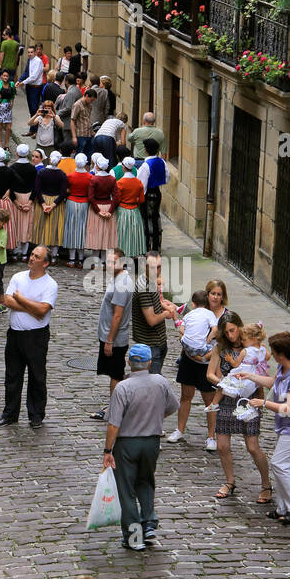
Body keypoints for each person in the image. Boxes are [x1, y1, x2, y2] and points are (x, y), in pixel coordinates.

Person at [248, 332, 290, 524]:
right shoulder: (285, 365)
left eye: (273, 351)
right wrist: (250, 376)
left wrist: (263, 403)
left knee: (281, 464)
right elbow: (274, 382)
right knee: (281, 465)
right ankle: (283, 507)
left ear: (280, 354)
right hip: (288, 424)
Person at [206, 314, 272, 504]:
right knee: (222, 445)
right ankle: (230, 481)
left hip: (248, 399)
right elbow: (210, 373)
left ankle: (266, 484)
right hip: (227, 397)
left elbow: (262, 370)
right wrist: (225, 384)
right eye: (226, 332)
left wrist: (260, 393)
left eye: (233, 330)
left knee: (252, 446)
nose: (231, 335)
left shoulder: (252, 346)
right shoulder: (220, 348)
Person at [0, 245, 58, 429]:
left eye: (36, 256)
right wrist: (31, 308)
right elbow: (6, 300)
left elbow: (43, 309)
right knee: (12, 375)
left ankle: (36, 415)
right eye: (31, 254)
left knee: (37, 376)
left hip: (36, 337)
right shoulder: (18, 277)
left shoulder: (50, 284)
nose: (31, 258)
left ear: (45, 263)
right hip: (14, 334)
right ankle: (10, 413)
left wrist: (21, 299)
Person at [168, 290, 218, 449]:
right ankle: (180, 430)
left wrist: (205, 342)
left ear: (194, 303)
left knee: (209, 400)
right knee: (185, 396)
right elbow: (183, 331)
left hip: (206, 364)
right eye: (213, 294)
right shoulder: (204, 315)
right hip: (189, 361)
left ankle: (211, 436)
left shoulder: (211, 316)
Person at [93, 250, 135, 422]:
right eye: (108, 261)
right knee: (113, 374)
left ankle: (115, 411)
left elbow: (118, 314)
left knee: (116, 376)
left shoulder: (122, 283)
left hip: (115, 340)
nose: (109, 265)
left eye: (113, 262)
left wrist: (110, 340)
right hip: (110, 337)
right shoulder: (118, 279)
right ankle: (113, 406)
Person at [133, 251, 178, 375]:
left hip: (157, 342)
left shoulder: (151, 281)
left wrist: (164, 306)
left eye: (159, 267)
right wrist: (168, 312)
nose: (156, 271)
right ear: (145, 266)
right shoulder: (145, 288)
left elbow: (156, 303)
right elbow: (151, 320)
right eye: (153, 267)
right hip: (150, 345)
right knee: (151, 386)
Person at [30, 151, 69, 260]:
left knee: (42, 228)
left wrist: (43, 204)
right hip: (56, 202)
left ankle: (41, 254)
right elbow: (63, 193)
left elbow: (37, 189)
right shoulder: (62, 174)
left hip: (43, 199)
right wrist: (52, 205)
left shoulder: (41, 172)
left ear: (50, 159)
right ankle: (53, 257)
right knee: (56, 229)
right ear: (59, 161)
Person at [61, 152, 92, 267]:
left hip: (71, 202)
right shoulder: (90, 177)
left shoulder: (70, 176)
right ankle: (81, 259)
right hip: (84, 203)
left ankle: (72, 259)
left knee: (71, 229)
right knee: (82, 230)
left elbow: (65, 190)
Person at [7, 144, 37, 262]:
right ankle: (24, 254)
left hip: (16, 198)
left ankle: (14, 252)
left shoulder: (12, 168)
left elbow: (9, 186)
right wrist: (30, 202)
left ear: (17, 153)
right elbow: (36, 187)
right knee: (27, 225)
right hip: (28, 197)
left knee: (15, 224)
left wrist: (15, 201)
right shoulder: (32, 168)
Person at [136, 140, 168, 251]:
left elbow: (141, 184)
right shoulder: (162, 162)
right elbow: (166, 177)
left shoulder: (146, 165)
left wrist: (140, 198)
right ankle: (157, 246)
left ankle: (147, 246)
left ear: (145, 150)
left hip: (148, 194)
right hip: (157, 192)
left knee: (146, 219)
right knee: (155, 218)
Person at [86, 158, 119, 256]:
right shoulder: (112, 179)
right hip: (108, 206)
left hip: (97, 207)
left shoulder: (94, 179)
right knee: (106, 234)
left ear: (97, 166)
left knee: (95, 233)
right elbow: (116, 197)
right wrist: (110, 211)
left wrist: (97, 210)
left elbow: (91, 197)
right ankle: (104, 261)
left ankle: (95, 261)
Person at [114, 159, 146, 261]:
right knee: (134, 234)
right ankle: (133, 255)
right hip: (135, 211)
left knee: (123, 234)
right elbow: (141, 199)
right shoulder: (138, 182)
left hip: (122, 210)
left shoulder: (120, 183)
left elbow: (117, 199)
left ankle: (122, 257)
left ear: (123, 167)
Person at [17, 44, 45, 120]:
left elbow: (34, 77)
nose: (29, 54)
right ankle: (32, 129)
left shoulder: (38, 61)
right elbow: (26, 72)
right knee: (30, 108)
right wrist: (19, 80)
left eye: (31, 52)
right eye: (28, 52)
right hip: (29, 87)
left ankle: (35, 129)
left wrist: (23, 82)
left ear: (35, 53)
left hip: (35, 88)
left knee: (34, 108)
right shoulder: (29, 60)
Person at [70, 87, 97, 156]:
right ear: (87, 96)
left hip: (89, 134)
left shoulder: (89, 106)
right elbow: (72, 120)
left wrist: (92, 132)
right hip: (80, 135)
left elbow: (87, 119)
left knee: (88, 156)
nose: (92, 102)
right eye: (91, 100)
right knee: (79, 155)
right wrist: (74, 137)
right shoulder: (77, 105)